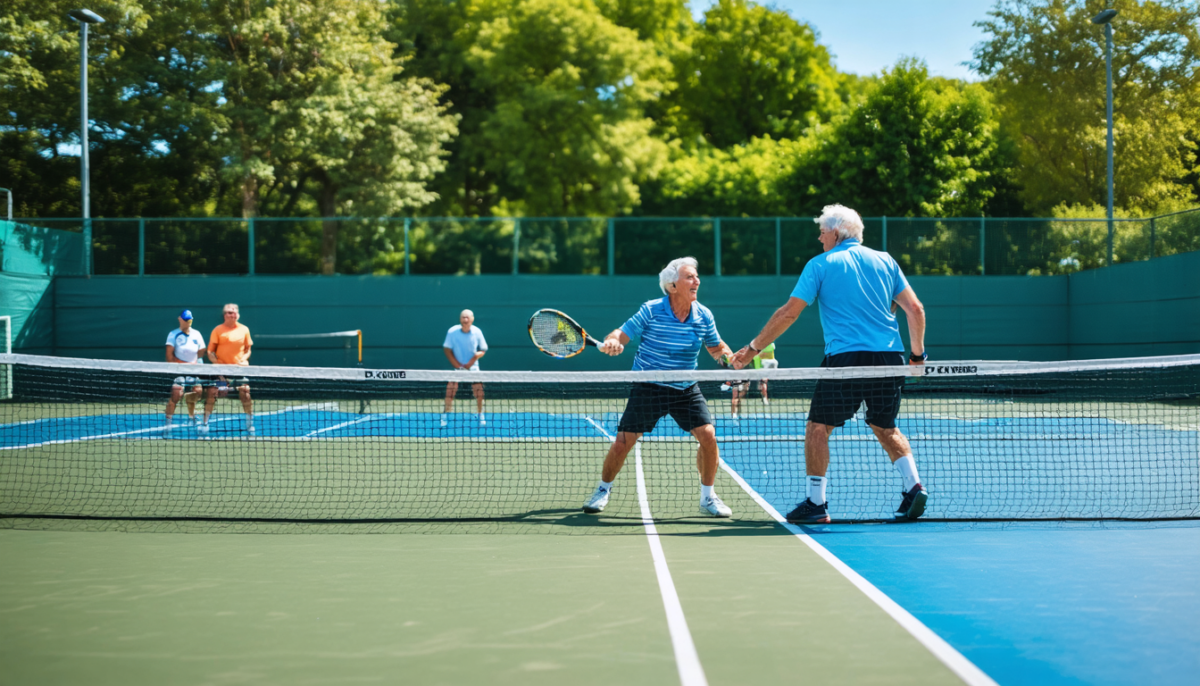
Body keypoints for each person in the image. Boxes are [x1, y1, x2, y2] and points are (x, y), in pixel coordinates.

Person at [731, 204, 928, 523]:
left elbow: (788, 313)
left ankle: (816, 503)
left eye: (822, 231)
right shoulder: (886, 261)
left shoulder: (820, 264)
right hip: (889, 358)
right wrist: (917, 356)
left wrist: (752, 349)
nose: (819, 237)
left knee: (817, 428)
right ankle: (914, 487)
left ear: (836, 233)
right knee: (885, 425)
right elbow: (915, 310)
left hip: (845, 360)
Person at [583, 257, 736, 518]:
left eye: (696, 276)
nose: (696, 281)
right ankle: (602, 489)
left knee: (708, 437)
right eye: (689, 277)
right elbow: (621, 333)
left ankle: (708, 497)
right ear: (672, 286)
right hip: (649, 386)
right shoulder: (651, 310)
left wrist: (730, 360)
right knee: (623, 443)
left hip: (686, 389)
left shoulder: (703, 315)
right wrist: (611, 342)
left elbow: (716, 347)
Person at [202, 303, 254, 434]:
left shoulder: (244, 329)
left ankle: (249, 423)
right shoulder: (218, 330)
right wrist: (219, 370)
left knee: (245, 392)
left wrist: (243, 359)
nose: (233, 314)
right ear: (225, 315)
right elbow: (210, 352)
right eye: (230, 312)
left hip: (239, 370)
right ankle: (205, 424)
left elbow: (248, 349)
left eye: (235, 311)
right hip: (221, 371)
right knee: (212, 392)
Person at [442, 309, 488, 427]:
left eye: (467, 317)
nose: (465, 320)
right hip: (457, 367)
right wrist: (458, 366)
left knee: (479, 390)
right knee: (450, 389)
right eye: (463, 317)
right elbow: (447, 349)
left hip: (473, 368)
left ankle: (480, 414)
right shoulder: (452, 332)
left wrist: (471, 362)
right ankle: (446, 415)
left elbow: (483, 349)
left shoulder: (477, 332)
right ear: (460, 319)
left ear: (472, 319)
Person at [164, 309, 205, 430]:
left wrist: (198, 364)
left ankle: (192, 417)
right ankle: (168, 424)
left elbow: (201, 351)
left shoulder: (197, 334)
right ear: (180, 319)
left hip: (193, 370)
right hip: (179, 370)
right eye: (186, 320)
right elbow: (169, 357)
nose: (188, 322)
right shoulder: (173, 334)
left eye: (190, 320)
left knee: (197, 391)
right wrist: (186, 364)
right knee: (177, 393)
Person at [729, 341, 776, 421]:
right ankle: (734, 414)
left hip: (746, 377)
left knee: (741, 395)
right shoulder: (736, 357)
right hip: (737, 376)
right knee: (736, 396)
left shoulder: (754, 356)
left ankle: (736, 414)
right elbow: (729, 362)